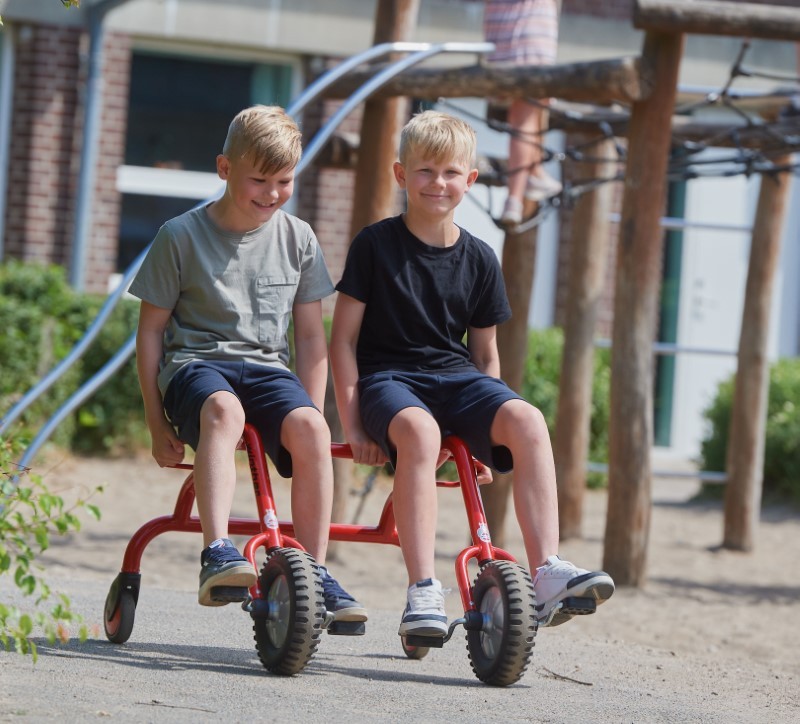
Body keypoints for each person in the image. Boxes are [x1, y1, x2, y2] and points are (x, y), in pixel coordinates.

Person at [330, 110, 613, 637]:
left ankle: (546, 570)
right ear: (400, 175)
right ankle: (422, 590)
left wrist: (488, 438)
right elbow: (342, 341)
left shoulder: (481, 258)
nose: (438, 183)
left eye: (451, 172)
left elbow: (485, 358)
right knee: (419, 431)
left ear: (471, 180)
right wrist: (353, 424)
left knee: (527, 420)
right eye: (425, 171)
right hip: (388, 381)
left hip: (455, 378)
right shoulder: (375, 245)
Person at [129, 105, 366, 626]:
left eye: (284, 181)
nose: (271, 193)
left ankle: (313, 569)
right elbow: (149, 333)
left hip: (266, 371)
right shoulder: (180, 235)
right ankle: (217, 550)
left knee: (310, 428)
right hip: (197, 366)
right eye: (258, 179)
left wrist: (308, 409)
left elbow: (309, 337)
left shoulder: (298, 239)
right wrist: (155, 420)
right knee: (223, 411)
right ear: (224, 168)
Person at [484, 0, 563, 227]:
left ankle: (535, 170)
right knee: (524, 114)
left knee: (536, 105)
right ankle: (514, 199)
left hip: (506, 28)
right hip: (525, 29)